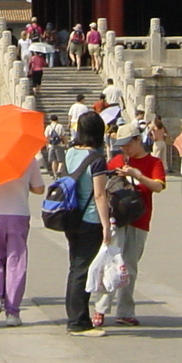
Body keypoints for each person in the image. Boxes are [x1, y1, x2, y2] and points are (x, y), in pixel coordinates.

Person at [96, 125, 167, 327]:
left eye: (128, 144)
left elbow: (158, 186)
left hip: (140, 219)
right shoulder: (118, 160)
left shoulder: (153, 162)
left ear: (138, 139)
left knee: (129, 266)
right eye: (122, 145)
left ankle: (125, 310)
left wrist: (137, 175)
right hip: (117, 218)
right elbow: (102, 181)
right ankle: (100, 308)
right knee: (110, 263)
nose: (125, 149)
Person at [61, 111, 114, 336]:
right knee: (82, 269)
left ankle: (76, 317)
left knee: (76, 267)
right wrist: (106, 225)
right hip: (90, 218)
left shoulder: (70, 153)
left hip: (71, 215)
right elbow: (100, 194)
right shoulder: (96, 158)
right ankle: (78, 321)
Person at [0, 143, 44, 329]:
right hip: (19, 213)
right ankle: (13, 312)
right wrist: (25, 185)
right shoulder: (28, 159)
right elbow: (39, 188)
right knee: (16, 262)